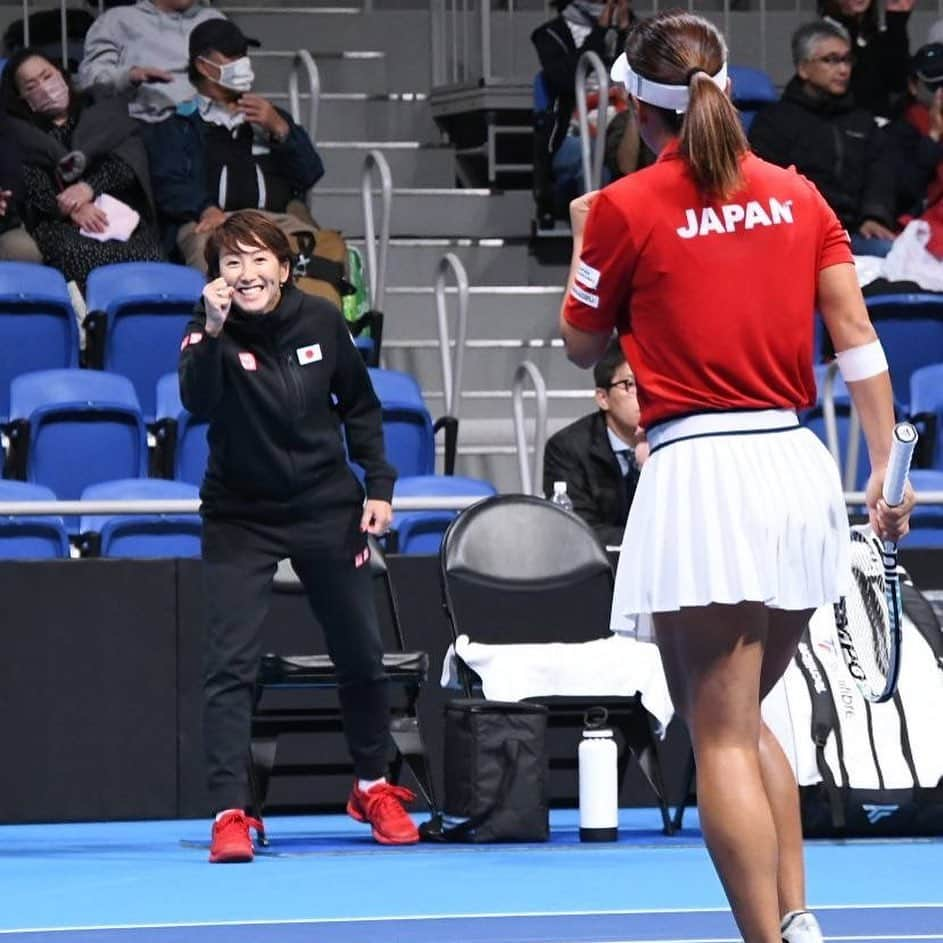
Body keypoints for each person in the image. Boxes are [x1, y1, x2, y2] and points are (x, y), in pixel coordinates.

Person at [559, 12, 914, 943]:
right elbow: (860, 344)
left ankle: (769, 940)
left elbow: (579, 346)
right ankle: (797, 918)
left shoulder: (627, 206)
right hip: (798, 470)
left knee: (713, 729)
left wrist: (580, 240)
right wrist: (887, 470)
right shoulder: (798, 196)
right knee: (746, 713)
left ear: (637, 103)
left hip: (702, 471)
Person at [179, 210, 418, 863]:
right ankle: (231, 811)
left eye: (259, 260)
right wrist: (210, 326)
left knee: (362, 654)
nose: (246, 273)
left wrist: (379, 485)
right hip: (239, 515)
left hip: (325, 505)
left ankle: (372, 784)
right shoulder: (207, 333)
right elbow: (197, 401)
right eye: (232, 262)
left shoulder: (320, 321)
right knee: (229, 666)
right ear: (217, 277)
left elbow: (361, 408)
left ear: (284, 269)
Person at [146, 18, 324, 271]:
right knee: (206, 250)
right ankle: (215, 311)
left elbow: (310, 173)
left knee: (322, 248)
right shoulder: (180, 124)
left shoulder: (269, 115)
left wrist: (281, 129)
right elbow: (169, 185)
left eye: (243, 55)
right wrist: (205, 209)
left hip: (272, 221)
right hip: (212, 222)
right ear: (203, 66)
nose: (242, 63)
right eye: (231, 56)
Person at [0, 49, 163, 290]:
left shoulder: (100, 109)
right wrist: (71, 207)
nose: (45, 88)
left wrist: (89, 188)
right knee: (74, 253)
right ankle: (88, 322)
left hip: (115, 210)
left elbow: (128, 160)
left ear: (62, 75)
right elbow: (27, 180)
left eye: (47, 76)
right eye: (31, 86)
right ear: (22, 98)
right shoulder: (19, 132)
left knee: (148, 253)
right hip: (57, 221)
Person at [749, 20, 898, 258]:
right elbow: (765, 185)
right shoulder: (774, 122)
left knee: (897, 257)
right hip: (798, 237)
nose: (843, 70)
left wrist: (874, 215)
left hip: (857, 233)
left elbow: (880, 174)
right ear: (803, 68)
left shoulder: (862, 121)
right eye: (831, 60)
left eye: (847, 60)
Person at [531, 0, 634, 222]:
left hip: (624, 124)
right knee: (595, 157)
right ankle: (598, 243)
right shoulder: (550, 34)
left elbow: (645, 75)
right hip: (574, 132)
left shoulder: (638, 32)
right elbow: (565, 79)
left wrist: (627, 33)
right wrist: (600, 31)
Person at [542, 339, 644, 547]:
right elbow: (576, 528)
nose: (643, 395)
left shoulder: (670, 443)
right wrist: (646, 542)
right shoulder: (567, 448)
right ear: (602, 398)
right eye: (630, 385)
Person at [77, 0, 226, 125]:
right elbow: (90, 80)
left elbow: (233, 81)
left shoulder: (214, 21)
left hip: (206, 124)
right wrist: (129, 76)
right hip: (140, 127)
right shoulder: (116, 20)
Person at [819, 0, 913, 118]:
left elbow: (898, 84)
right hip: (842, 125)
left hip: (880, 125)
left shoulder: (874, 33)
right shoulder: (822, 34)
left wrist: (897, 20)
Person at [886, 43, 943, 219]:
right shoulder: (897, 131)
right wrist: (933, 136)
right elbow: (905, 191)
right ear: (913, 85)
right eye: (936, 84)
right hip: (920, 224)